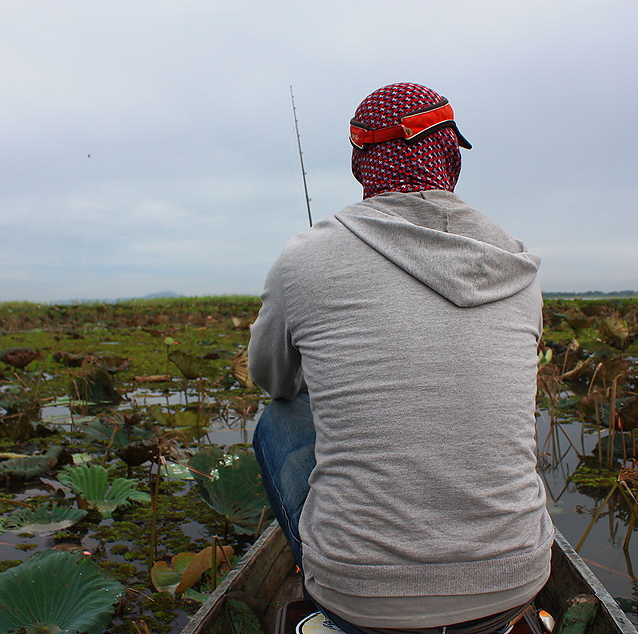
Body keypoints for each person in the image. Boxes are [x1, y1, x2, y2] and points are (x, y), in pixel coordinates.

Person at [249, 82, 553, 634]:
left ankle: (335, 613)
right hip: (519, 576)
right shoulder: (518, 265)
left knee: (278, 417)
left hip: (361, 596)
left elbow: (271, 380)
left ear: (361, 162)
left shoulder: (304, 257)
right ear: (450, 154)